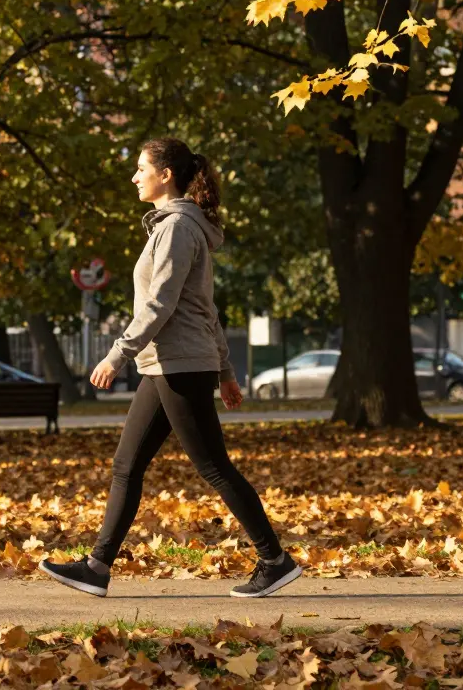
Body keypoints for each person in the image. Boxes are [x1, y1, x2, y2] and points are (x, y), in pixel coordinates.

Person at [39, 137, 301, 599]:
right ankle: (97, 567)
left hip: (178, 363)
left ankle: (275, 560)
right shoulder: (173, 226)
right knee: (126, 465)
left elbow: (161, 304)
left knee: (214, 467)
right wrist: (226, 371)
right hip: (168, 363)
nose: (134, 176)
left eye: (142, 168)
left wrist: (116, 353)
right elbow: (205, 308)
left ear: (166, 175)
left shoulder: (178, 227)